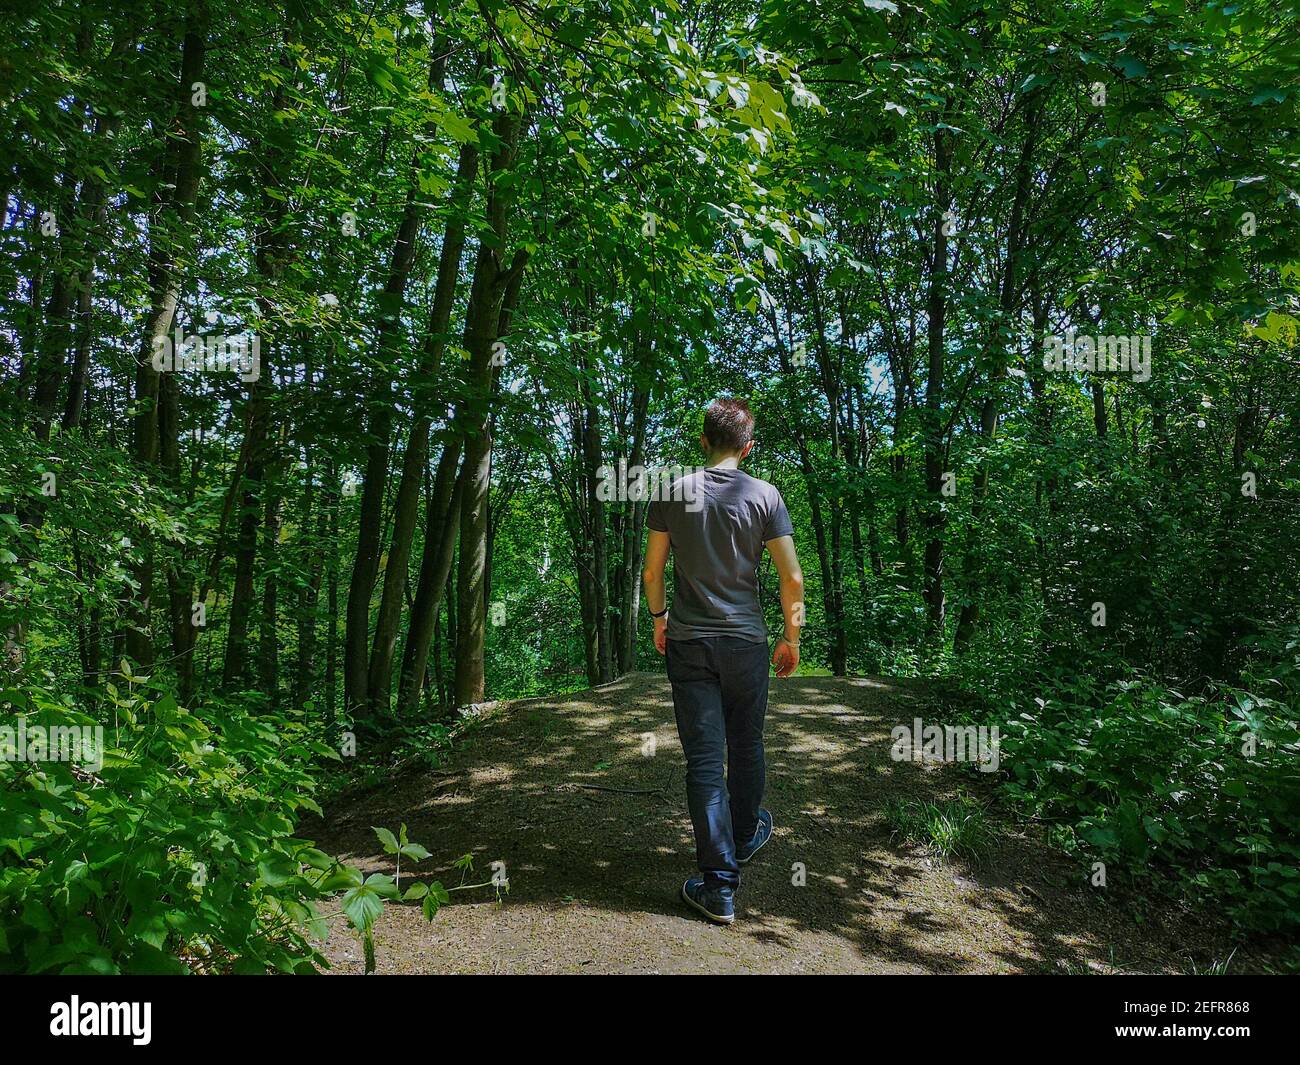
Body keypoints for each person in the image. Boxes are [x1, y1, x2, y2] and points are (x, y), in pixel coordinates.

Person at [642, 397, 804, 925]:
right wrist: (791, 638)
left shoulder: (671, 492)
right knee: (747, 743)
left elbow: (652, 574)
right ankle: (741, 836)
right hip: (745, 645)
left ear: (704, 441)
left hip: (689, 644)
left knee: (705, 762)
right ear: (747, 447)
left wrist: (660, 617)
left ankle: (719, 887)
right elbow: (792, 578)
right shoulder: (765, 495)